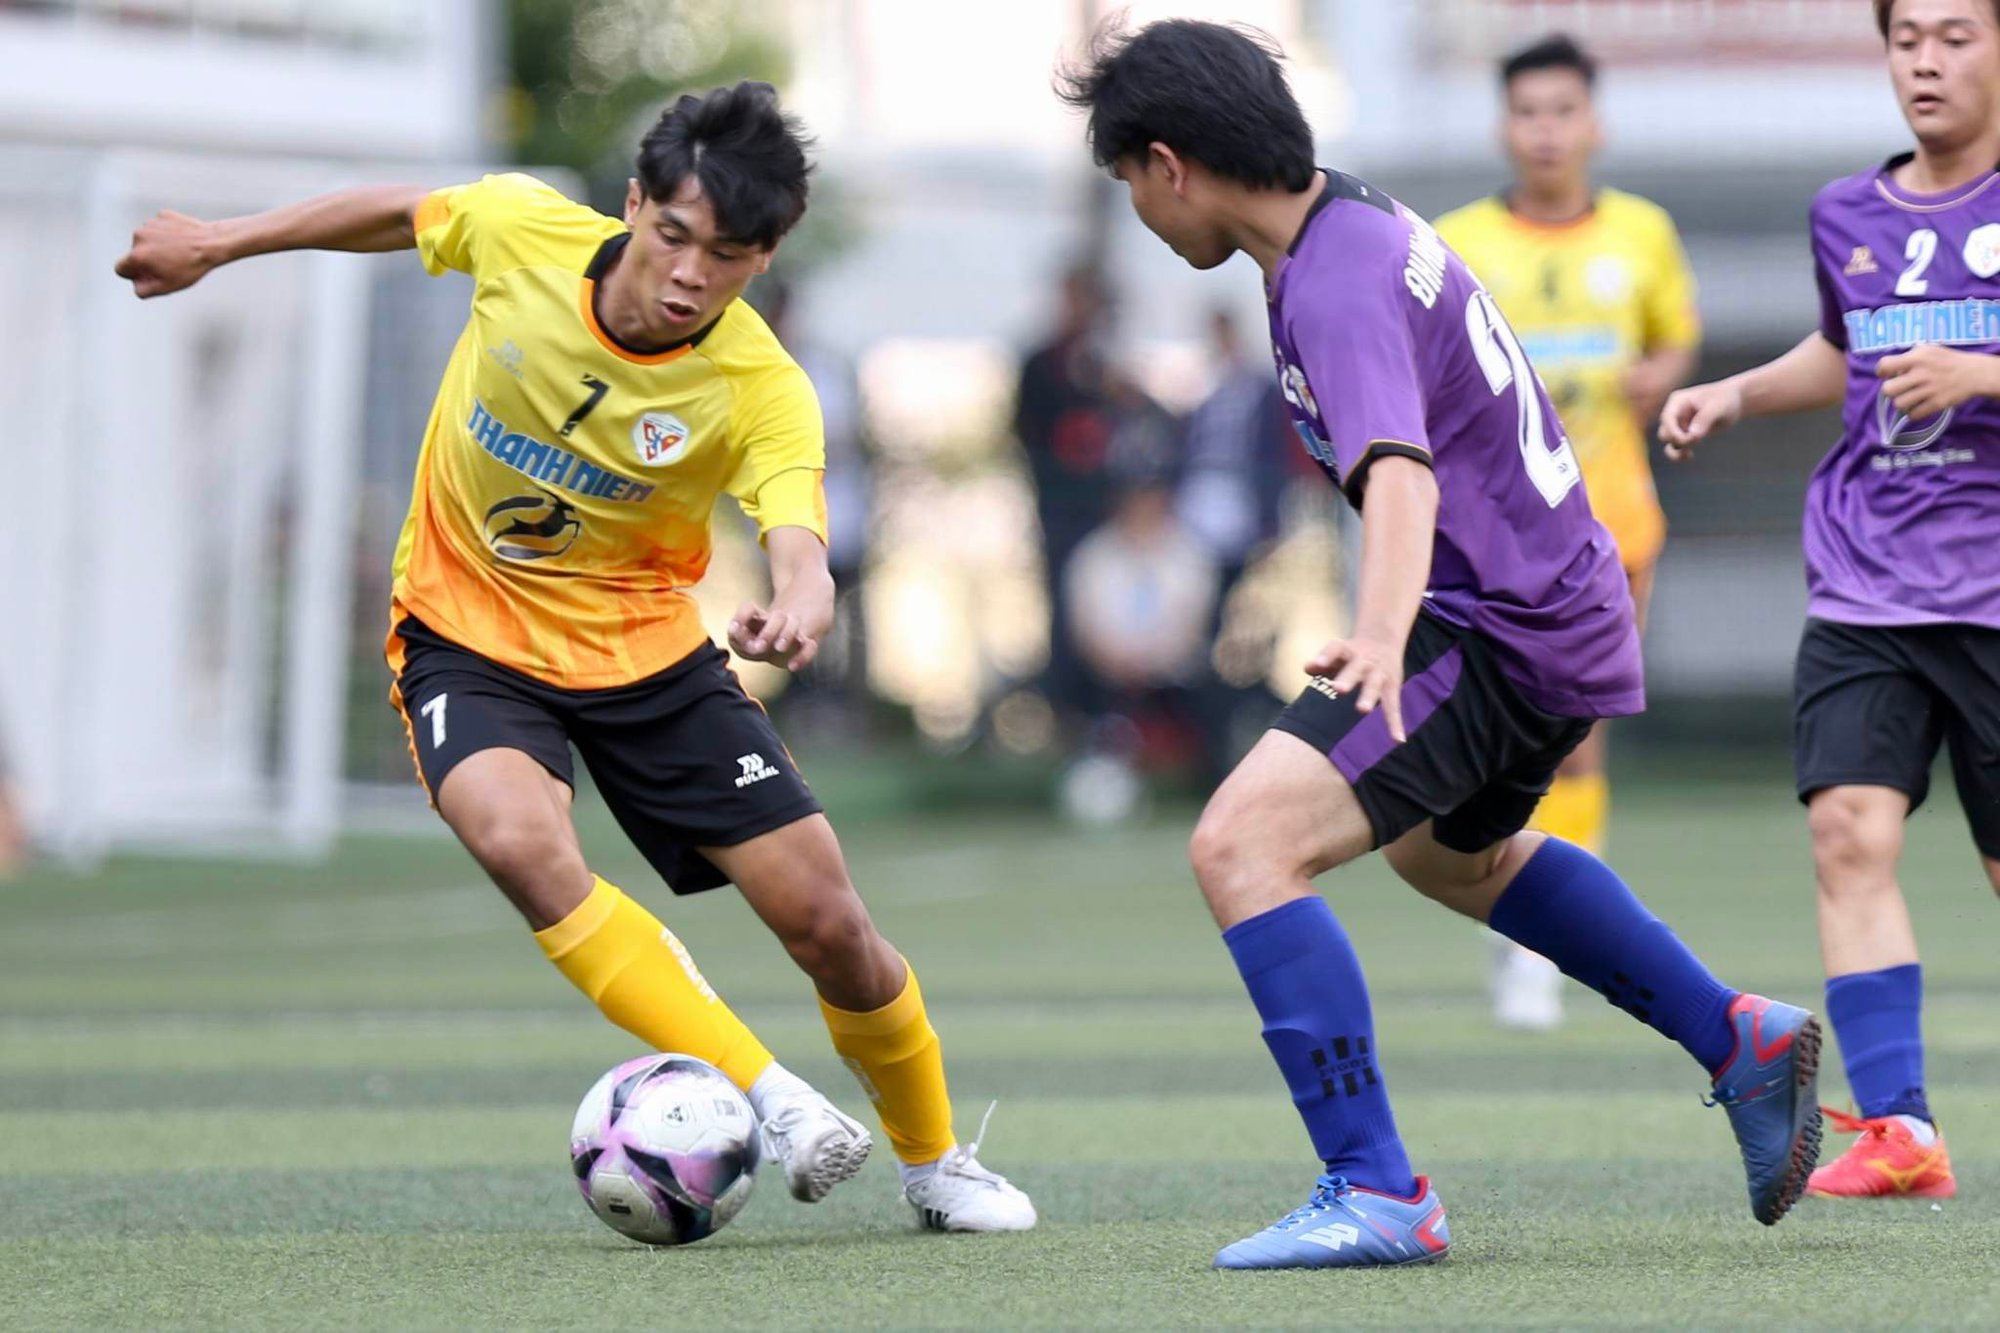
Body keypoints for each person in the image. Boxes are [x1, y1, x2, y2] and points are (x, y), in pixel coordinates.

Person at [114, 82, 1033, 1234]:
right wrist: (220, 241)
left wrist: (799, 597)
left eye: (730, 254)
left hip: (646, 656)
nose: (692, 273)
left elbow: (798, 535)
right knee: (516, 839)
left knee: (828, 927)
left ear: (767, 255)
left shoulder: (759, 384)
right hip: (466, 631)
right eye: (674, 235)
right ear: (636, 204)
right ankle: (771, 1096)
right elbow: (395, 213)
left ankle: (936, 1161)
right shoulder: (522, 229)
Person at [1057, 19, 1821, 1269]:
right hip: (1550, 607)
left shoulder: (1330, 275)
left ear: (1168, 163)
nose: (1136, 210)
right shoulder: (1350, 224)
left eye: (1127, 181)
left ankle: (1375, 1189)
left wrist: (1372, 635)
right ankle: (1732, 1035)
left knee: (1240, 843)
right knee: (1443, 857)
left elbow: (1401, 478)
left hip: (1494, 623)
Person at [1659, 0, 2000, 1203]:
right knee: (1847, 832)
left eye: (1952, 34)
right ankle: (1899, 1129)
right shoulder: (1845, 211)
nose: (1923, 57)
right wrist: (1738, 394)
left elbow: (1947, 362)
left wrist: (1980, 372)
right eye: (1905, 35)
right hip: (1864, 583)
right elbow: (1843, 351)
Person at [1436, 34, 1702, 1031]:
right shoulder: (1459, 239)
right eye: (1525, 112)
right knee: (1490, 739)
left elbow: (1673, 333)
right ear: (1503, 126)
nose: (1544, 130)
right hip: (1492, 535)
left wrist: (1658, 372)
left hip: (1611, 524)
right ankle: (1511, 904)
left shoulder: (1640, 233)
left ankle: (1538, 941)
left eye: (1560, 110)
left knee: (1574, 737)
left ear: (1592, 122)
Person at [1015, 263, 1120, 719]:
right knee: (1062, 598)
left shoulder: (1106, 363)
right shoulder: (1042, 362)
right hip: (1060, 505)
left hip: (1102, 507)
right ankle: (1065, 703)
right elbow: (1026, 431)